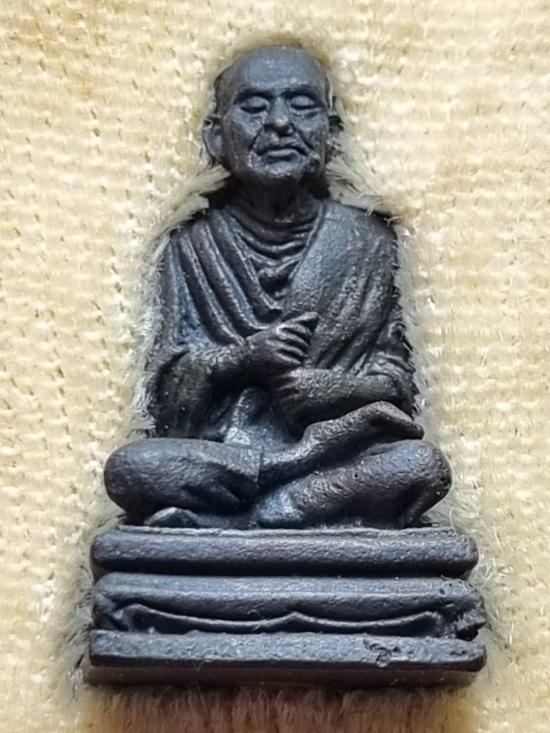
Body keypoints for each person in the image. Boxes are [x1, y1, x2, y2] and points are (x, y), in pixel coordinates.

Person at [104, 45, 451, 529]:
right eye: (253, 107)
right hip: (230, 453)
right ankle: (288, 499)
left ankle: (242, 517)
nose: (280, 123)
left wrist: (337, 389)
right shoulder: (192, 245)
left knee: (421, 465)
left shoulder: (369, 241)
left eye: (302, 105)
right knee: (131, 469)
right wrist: (240, 359)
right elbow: (167, 395)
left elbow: (397, 382)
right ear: (216, 136)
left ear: (331, 134)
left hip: (339, 446)